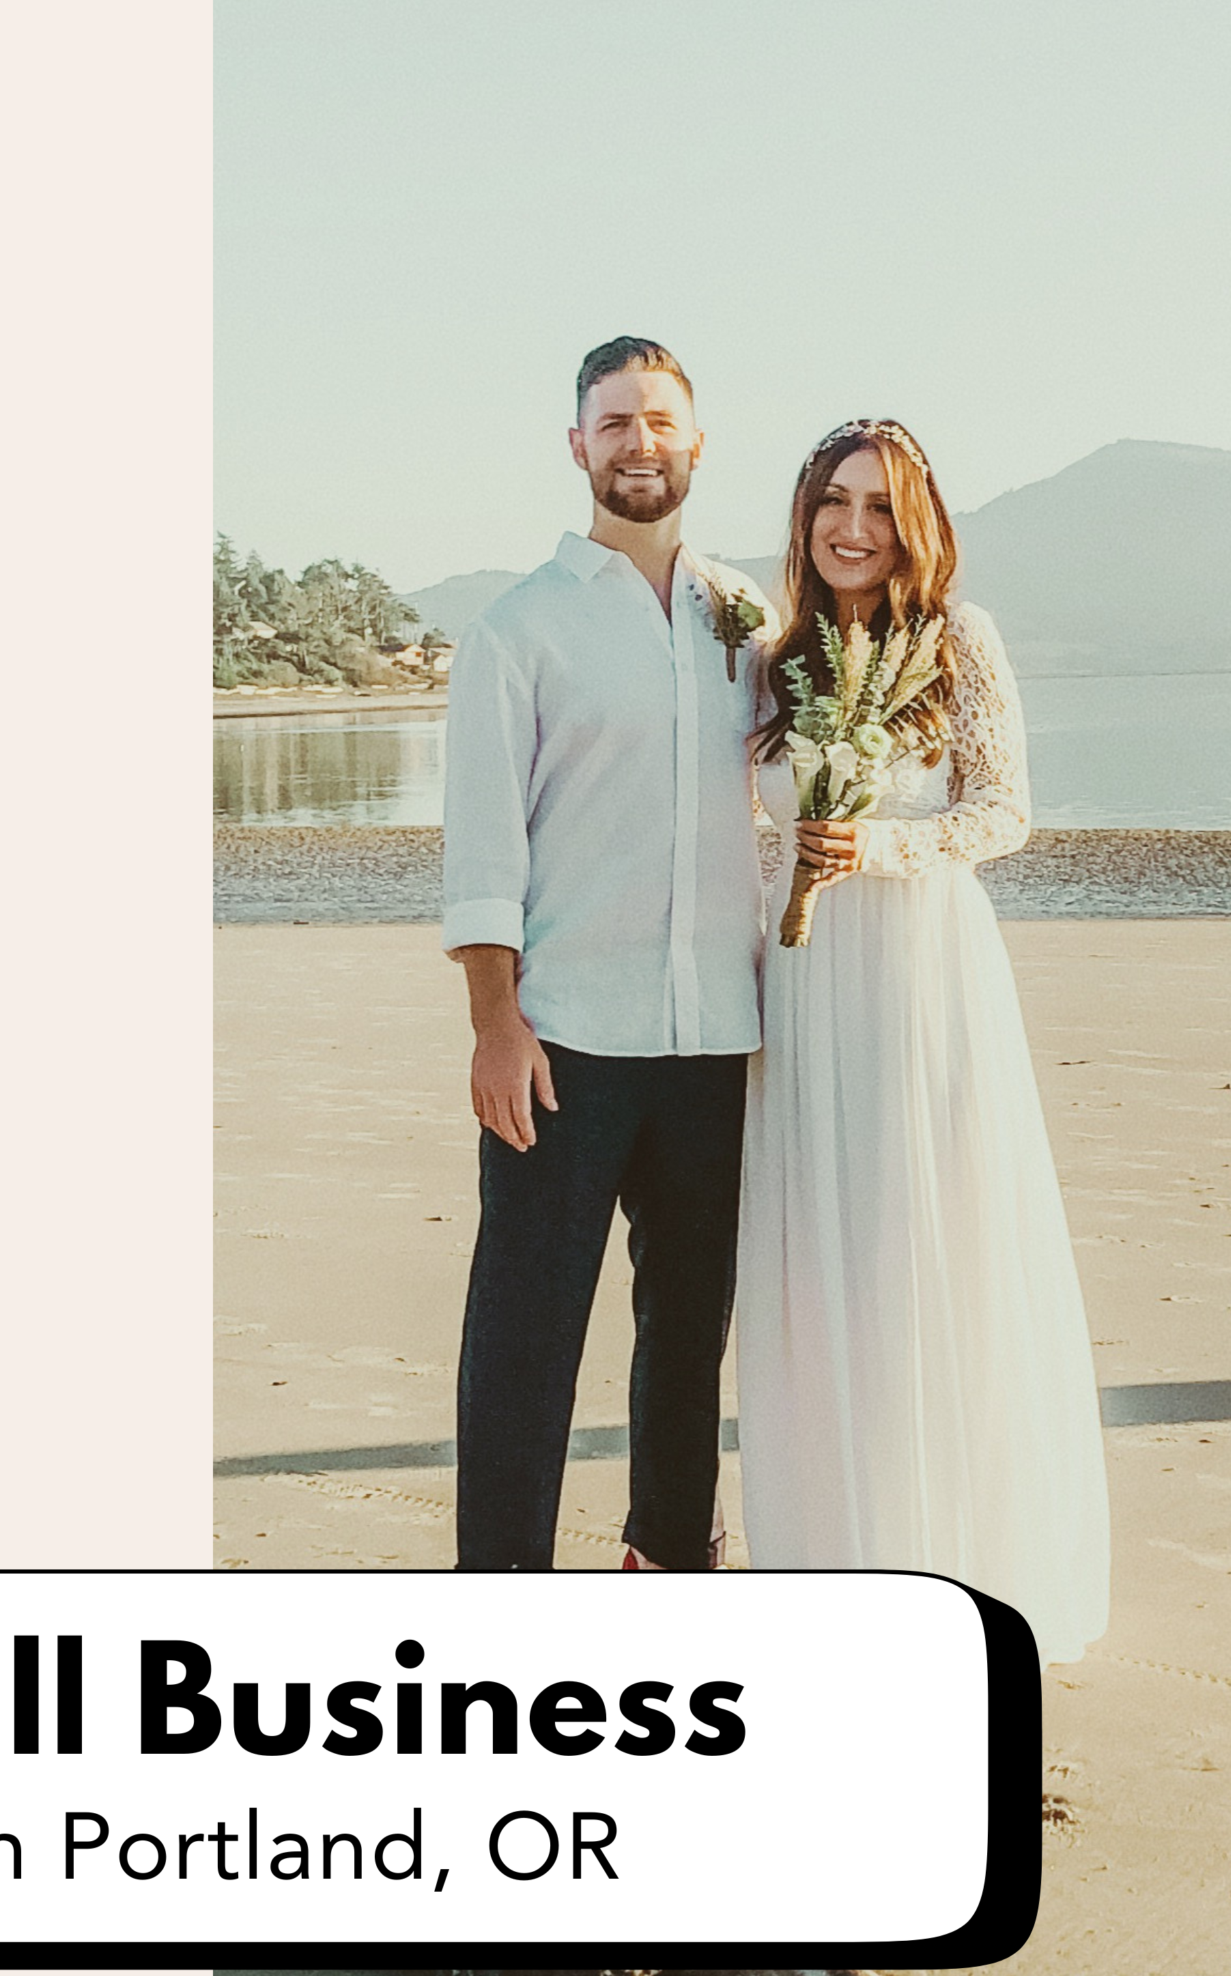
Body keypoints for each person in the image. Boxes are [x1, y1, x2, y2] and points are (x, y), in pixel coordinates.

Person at [736, 419, 1111, 1663]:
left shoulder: (959, 640)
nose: (852, 527)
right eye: (832, 502)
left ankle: (954, 1555)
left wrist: (877, 847)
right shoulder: (771, 656)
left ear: (915, 524)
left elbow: (1001, 811)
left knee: (922, 1237)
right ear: (803, 516)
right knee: (815, 1259)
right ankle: (835, 1544)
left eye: (879, 507)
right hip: (801, 991)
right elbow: (744, 831)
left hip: (921, 979)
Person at [442, 337, 768, 1572]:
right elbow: (480, 846)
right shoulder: (516, 628)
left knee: (686, 1328)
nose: (640, 442)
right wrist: (493, 1022)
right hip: (561, 1038)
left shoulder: (746, 615)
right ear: (576, 445)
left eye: (660, 420)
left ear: (695, 441)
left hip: (712, 1038)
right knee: (525, 1329)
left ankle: (667, 1553)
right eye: (614, 421)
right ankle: (501, 1582)